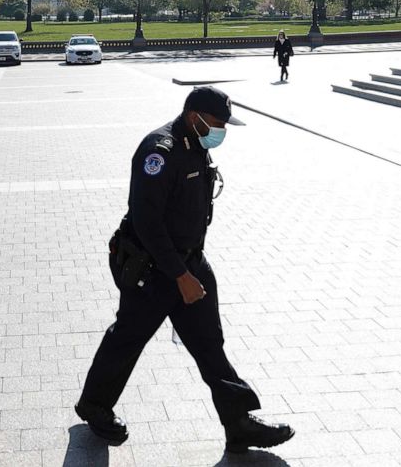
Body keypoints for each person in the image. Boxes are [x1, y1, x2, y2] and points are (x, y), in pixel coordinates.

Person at [75, 86, 295, 454]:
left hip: (189, 261)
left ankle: (238, 423)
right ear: (194, 117)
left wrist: (189, 270)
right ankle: (94, 406)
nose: (221, 130)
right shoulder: (159, 151)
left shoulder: (196, 146)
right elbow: (147, 222)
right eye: (217, 123)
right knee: (128, 337)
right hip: (153, 268)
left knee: (209, 344)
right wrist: (180, 276)